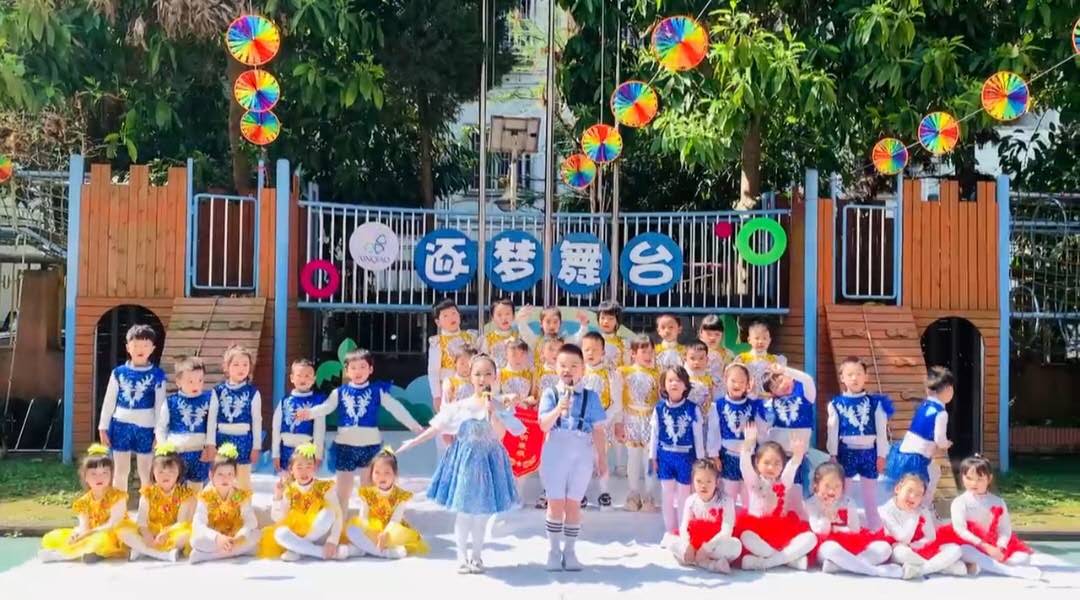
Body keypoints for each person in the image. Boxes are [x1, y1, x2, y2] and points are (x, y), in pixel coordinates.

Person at [397, 354, 523, 574]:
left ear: (495, 377)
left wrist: (493, 412)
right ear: (470, 377)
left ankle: (477, 556)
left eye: (487, 374)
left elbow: (502, 435)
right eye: (478, 374)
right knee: (465, 512)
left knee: (482, 514)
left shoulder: (500, 405)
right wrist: (413, 443)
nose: (482, 378)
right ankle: (462, 556)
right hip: (466, 462)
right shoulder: (461, 406)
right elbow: (437, 428)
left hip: (489, 462)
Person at [298, 349, 424, 513]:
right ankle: (340, 524)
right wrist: (309, 413)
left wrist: (414, 425)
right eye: (353, 368)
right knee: (343, 492)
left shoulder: (377, 391)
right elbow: (326, 407)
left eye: (362, 367)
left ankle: (366, 523)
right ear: (347, 370)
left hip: (370, 447)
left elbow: (396, 408)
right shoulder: (339, 392)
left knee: (368, 492)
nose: (358, 371)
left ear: (370, 369)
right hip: (345, 447)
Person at [538, 343, 609, 571]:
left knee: (573, 503)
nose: (568, 370)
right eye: (563, 365)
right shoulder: (550, 393)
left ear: (583, 369)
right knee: (555, 502)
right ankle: (553, 550)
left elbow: (598, 430)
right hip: (556, 449)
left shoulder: (591, 396)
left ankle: (570, 551)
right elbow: (543, 425)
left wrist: (602, 458)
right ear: (555, 367)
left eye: (574, 365)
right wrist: (558, 409)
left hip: (581, 452)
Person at [938, 455, 1042, 579]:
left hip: (993, 544)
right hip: (970, 543)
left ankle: (981, 565)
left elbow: (1005, 529)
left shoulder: (997, 502)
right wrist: (985, 546)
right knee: (964, 550)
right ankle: (1009, 571)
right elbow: (960, 530)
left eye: (979, 479)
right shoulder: (960, 502)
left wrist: (1000, 547)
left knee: (1023, 558)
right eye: (969, 478)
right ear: (962, 477)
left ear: (989, 478)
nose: (973, 483)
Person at [735, 422, 817, 571]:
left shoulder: (784, 481)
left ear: (782, 466)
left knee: (811, 538)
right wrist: (748, 443)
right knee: (746, 536)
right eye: (766, 463)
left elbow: (792, 467)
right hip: (757, 532)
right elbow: (744, 465)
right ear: (757, 463)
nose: (771, 467)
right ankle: (788, 560)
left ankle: (766, 562)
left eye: (777, 463)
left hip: (782, 532)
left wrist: (797, 455)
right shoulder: (753, 481)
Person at [97, 324, 167, 491]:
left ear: (153, 348)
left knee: (146, 473)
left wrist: (159, 433)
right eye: (136, 345)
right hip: (121, 426)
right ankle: (119, 506)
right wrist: (103, 427)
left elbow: (160, 406)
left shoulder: (158, 375)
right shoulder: (118, 373)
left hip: (146, 428)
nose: (140, 349)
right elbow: (109, 401)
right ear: (128, 347)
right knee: (120, 472)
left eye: (145, 345)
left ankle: (146, 506)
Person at [827, 356, 893, 530]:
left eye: (858, 374)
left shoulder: (876, 403)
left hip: (869, 453)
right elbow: (833, 431)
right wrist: (833, 454)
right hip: (846, 453)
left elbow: (881, 432)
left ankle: (875, 528)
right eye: (849, 374)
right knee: (844, 494)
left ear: (866, 376)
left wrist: (881, 455)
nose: (854, 378)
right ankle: (843, 527)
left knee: (870, 497)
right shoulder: (836, 403)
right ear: (842, 377)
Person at [39, 444, 133, 562]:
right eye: (94, 474)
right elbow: (84, 526)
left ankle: (64, 555)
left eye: (105, 473)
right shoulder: (83, 502)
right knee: (53, 537)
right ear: (85, 477)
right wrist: (78, 534)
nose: (99, 478)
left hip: (111, 534)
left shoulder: (117, 496)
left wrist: (88, 534)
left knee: (101, 539)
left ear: (111, 476)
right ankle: (90, 552)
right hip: (90, 534)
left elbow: (113, 524)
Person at [806, 462, 901, 578]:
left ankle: (839, 567)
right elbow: (820, 531)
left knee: (884, 548)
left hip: (850, 543)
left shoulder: (847, 501)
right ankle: (875, 571)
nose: (832, 491)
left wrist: (836, 528)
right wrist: (827, 516)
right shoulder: (811, 503)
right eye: (827, 486)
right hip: (825, 545)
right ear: (816, 485)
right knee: (831, 549)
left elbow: (855, 530)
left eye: (837, 486)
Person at [257, 442, 344, 561]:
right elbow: (278, 518)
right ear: (291, 470)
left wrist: (332, 541)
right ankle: (318, 552)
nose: (304, 472)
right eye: (299, 467)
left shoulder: (324, 487)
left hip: (318, 532)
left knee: (329, 513)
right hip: (295, 534)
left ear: (314, 468)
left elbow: (338, 514)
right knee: (280, 533)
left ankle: (297, 549)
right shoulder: (289, 489)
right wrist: (278, 496)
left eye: (309, 466)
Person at [885, 366, 955, 508]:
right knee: (921, 486)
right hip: (918, 459)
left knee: (913, 482)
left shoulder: (924, 405)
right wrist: (946, 443)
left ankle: (904, 508)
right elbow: (939, 439)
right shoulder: (941, 413)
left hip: (903, 453)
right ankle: (923, 509)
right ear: (948, 389)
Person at [650, 366, 705, 540]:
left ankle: (683, 531)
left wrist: (701, 461)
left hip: (686, 459)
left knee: (684, 496)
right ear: (664, 385)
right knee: (667, 495)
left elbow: (698, 436)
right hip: (665, 458)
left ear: (686, 385)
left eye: (679, 380)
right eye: (670, 380)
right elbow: (654, 434)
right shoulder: (659, 408)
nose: (674, 383)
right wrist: (652, 456)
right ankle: (670, 531)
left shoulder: (692, 409)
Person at [878, 473, 967, 579]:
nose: (913, 497)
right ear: (898, 489)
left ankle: (921, 570)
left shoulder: (922, 510)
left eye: (918, 494)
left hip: (919, 548)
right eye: (909, 491)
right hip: (898, 550)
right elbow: (903, 538)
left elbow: (931, 537)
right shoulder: (885, 511)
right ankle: (943, 567)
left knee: (956, 549)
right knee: (901, 553)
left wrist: (916, 545)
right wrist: (913, 515)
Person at [344, 448, 428, 558]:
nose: (381, 477)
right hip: (372, 530)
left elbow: (395, 521)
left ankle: (363, 549)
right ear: (371, 474)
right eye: (377, 472)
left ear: (394, 474)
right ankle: (382, 552)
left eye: (387, 472)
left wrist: (385, 534)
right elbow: (363, 517)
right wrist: (369, 531)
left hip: (391, 531)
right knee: (352, 530)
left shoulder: (400, 496)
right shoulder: (368, 494)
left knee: (401, 551)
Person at [118, 443, 196, 562]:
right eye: (160, 472)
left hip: (171, 533)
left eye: (171, 471)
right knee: (122, 531)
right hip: (150, 531)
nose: (166, 475)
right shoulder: (147, 493)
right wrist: (147, 535)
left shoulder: (185, 494)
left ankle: (142, 550)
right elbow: (141, 521)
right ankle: (163, 554)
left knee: (187, 533)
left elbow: (181, 522)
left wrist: (166, 533)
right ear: (153, 473)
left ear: (179, 473)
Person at [757, 363, 818, 515]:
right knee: (779, 493)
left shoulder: (805, 395)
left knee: (801, 492)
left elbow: (808, 379)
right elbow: (762, 426)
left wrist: (785, 369)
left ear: (789, 377)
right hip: (779, 458)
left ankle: (801, 519)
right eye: (775, 387)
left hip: (799, 455)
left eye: (781, 380)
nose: (781, 386)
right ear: (772, 393)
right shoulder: (771, 404)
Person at [188, 443, 260, 563]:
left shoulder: (240, 495)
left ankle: (209, 555)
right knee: (196, 540)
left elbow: (251, 520)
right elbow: (198, 523)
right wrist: (217, 538)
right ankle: (233, 551)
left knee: (256, 535)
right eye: (220, 474)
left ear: (235, 475)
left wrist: (239, 537)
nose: (225, 479)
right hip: (215, 537)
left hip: (235, 536)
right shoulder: (206, 496)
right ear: (211, 475)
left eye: (229, 474)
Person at [156, 356, 218, 491]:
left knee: (196, 490)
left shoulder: (209, 399)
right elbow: (160, 427)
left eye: (200, 380)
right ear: (178, 382)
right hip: (177, 453)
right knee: (176, 490)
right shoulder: (171, 402)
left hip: (199, 453)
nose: (196, 385)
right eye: (190, 381)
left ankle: (194, 506)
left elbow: (212, 425)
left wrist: (210, 445)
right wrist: (164, 448)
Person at [671, 460, 741, 573]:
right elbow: (684, 526)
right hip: (694, 544)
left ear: (716, 482)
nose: (703, 486)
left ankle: (702, 560)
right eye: (699, 481)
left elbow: (726, 530)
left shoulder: (726, 501)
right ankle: (706, 562)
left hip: (715, 544)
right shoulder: (691, 500)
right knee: (671, 541)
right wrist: (688, 545)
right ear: (693, 481)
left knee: (736, 546)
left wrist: (706, 548)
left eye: (708, 481)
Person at [581, 331, 623, 510]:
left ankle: (604, 492)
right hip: (581, 424)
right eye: (587, 349)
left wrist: (602, 420)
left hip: (602, 423)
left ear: (603, 352)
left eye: (595, 349)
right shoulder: (579, 371)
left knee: (600, 458)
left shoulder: (611, 374)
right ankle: (580, 493)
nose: (590, 353)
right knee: (582, 459)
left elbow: (616, 402)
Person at [619, 335, 661, 512]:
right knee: (633, 457)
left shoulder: (657, 374)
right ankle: (633, 493)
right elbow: (618, 399)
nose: (648, 355)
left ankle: (649, 494)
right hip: (631, 419)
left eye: (651, 352)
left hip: (651, 420)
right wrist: (619, 422)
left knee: (650, 458)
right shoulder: (624, 372)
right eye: (644, 351)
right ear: (633, 353)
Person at [499, 339, 542, 507]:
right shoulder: (500, 373)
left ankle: (519, 493)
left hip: (525, 420)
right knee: (506, 456)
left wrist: (525, 401)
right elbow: (494, 395)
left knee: (522, 455)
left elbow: (534, 396)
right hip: (506, 419)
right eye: (513, 353)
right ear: (506, 354)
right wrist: (508, 399)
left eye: (521, 354)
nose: (517, 358)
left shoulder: (530, 374)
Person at [213, 344, 262, 489]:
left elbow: (257, 421)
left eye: (245, 364)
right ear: (226, 367)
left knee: (243, 482)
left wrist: (256, 447)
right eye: (236, 364)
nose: (241, 368)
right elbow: (211, 420)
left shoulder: (253, 392)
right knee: (222, 480)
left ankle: (244, 503)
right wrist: (210, 443)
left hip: (244, 441)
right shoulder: (218, 391)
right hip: (222, 439)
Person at [709, 363, 758, 508]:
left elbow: (762, 424)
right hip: (728, 456)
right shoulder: (718, 405)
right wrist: (714, 455)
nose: (737, 385)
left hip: (749, 457)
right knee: (728, 494)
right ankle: (728, 520)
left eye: (742, 382)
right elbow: (713, 431)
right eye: (733, 381)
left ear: (747, 384)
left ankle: (749, 521)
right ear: (725, 380)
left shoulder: (753, 405)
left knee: (749, 495)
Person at [271, 359, 326, 471]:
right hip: (286, 450)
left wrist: (318, 455)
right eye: (299, 375)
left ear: (314, 379)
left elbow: (319, 430)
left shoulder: (317, 402)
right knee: (287, 479)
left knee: (303, 479)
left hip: (305, 451)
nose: (303, 379)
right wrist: (275, 453)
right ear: (292, 378)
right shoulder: (285, 401)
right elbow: (276, 428)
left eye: (307, 376)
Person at [428, 299, 477, 411]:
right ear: (438, 322)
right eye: (445, 316)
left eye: (454, 313)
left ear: (459, 315)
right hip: (449, 388)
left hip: (470, 386)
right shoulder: (438, 342)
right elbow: (433, 371)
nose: (451, 318)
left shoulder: (471, 337)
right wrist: (437, 396)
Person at [685, 341, 722, 453]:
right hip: (688, 420)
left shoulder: (709, 379)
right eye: (692, 358)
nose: (697, 362)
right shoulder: (684, 379)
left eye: (701, 358)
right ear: (685, 358)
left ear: (707, 360)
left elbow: (711, 397)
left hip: (705, 420)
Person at [734, 319, 787, 397]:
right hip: (748, 396)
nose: (760, 342)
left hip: (767, 397)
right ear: (749, 340)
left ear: (769, 340)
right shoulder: (742, 359)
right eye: (757, 338)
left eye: (764, 338)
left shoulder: (774, 360)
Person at [481, 298, 518, 368]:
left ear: (513, 316)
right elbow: (484, 362)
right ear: (492, 318)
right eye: (499, 315)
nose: (504, 318)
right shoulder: (487, 339)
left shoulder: (519, 337)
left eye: (507, 314)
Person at [698, 315, 735, 383]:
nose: (713, 338)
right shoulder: (694, 352)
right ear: (701, 333)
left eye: (717, 334)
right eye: (709, 334)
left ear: (722, 335)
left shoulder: (728, 354)